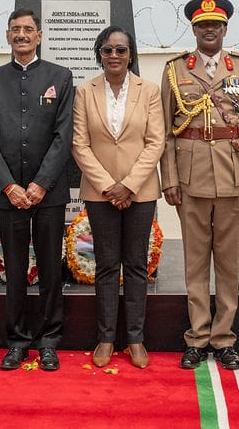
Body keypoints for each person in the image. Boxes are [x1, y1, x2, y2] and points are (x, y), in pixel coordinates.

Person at [160, 0, 239, 371]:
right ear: (194, 29)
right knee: (194, 263)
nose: (209, 30)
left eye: (215, 25)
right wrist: (169, 179)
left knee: (228, 263)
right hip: (190, 180)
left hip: (234, 176)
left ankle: (223, 338)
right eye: (202, 25)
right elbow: (166, 132)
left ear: (225, 29)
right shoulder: (175, 70)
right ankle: (197, 337)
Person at [0, 8, 74, 372]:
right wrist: (8, 185)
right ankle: (17, 341)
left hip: (48, 193)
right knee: (15, 270)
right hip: (8, 194)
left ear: (39, 36)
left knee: (50, 269)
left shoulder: (60, 77)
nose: (21, 35)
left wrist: (40, 183)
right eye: (15, 29)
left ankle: (49, 341)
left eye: (28, 29)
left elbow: (63, 135)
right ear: (8, 36)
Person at [72, 26, 164, 369]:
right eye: (107, 50)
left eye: (120, 50)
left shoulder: (149, 90)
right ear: (100, 54)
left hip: (140, 192)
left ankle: (136, 339)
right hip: (101, 193)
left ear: (130, 55)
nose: (114, 55)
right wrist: (109, 186)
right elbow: (79, 143)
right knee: (108, 264)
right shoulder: (85, 91)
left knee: (136, 265)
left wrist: (129, 185)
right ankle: (107, 338)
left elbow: (155, 141)